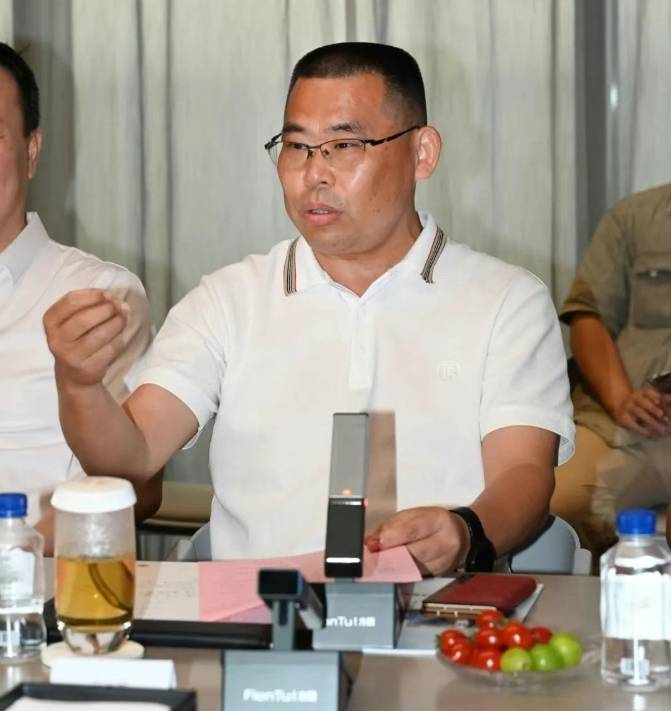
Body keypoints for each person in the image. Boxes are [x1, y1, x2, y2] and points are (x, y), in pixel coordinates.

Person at [43, 42, 574, 573]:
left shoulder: (505, 300)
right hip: (256, 607)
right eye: (297, 147)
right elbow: (132, 457)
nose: (314, 173)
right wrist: (80, 386)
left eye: (344, 145)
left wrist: (465, 531)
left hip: (441, 605)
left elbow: (524, 474)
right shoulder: (230, 301)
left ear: (422, 153)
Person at [0, 43, 160, 554]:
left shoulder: (97, 297)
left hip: (36, 586)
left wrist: (18, 564)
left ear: (31, 151)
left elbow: (138, 490)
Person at [551, 183, 671, 556]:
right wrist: (622, 401)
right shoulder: (634, 217)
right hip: (633, 425)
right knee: (546, 509)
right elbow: (589, 318)